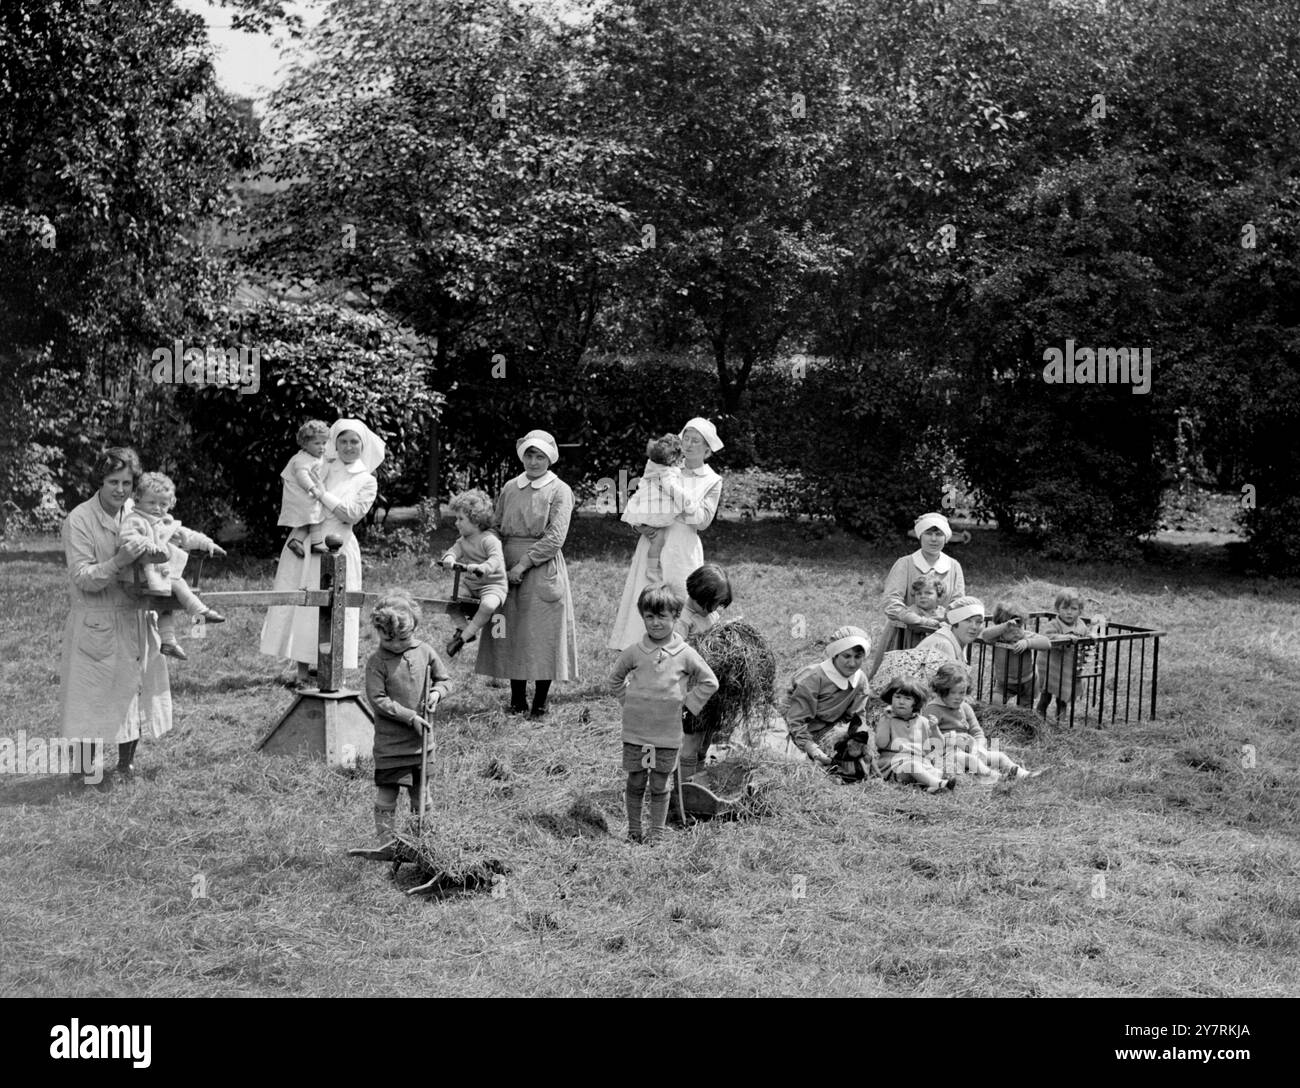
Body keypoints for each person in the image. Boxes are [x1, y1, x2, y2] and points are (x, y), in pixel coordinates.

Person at [59, 447, 171, 781]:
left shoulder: (137, 515)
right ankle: (82, 770)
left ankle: (126, 765)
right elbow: (82, 577)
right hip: (95, 616)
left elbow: (165, 545)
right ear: (100, 480)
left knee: (130, 693)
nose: (120, 490)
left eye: (126, 482)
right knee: (87, 695)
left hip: (133, 614)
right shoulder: (79, 519)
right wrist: (119, 561)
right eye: (112, 481)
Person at [260, 418, 384, 687]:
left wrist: (322, 494)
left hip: (339, 544)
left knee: (336, 606)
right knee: (303, 605)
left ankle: (329, 665)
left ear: (363, 445)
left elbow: (351, 513)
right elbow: (298, 485)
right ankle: (301, 669)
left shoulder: (366, 480)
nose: (348, 447)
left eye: (354, 442)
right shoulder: (321, 464)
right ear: (334, 444)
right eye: (343, 441)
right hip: (306, 543)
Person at [475, 429, 578, 718]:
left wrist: (523, 564)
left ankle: (541, 702)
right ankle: (517, 699)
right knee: (511, 631)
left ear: (550, 458)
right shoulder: (510, 487)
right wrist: (492, 556)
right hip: (506, 566)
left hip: (541, 566)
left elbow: (556, 537)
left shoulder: (560, 490)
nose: (533, 462)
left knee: (542, 634)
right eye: (529, 455)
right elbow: (496, 525)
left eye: (540, 456)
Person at [608, 585, 718, 844]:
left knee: (659, 783)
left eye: (662, 617)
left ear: (675, 617)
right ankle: (634, 831)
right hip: (636, 732)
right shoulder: (634, 651)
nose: (655, 623)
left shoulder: (685, 654)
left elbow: (709, 681)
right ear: (643, 617)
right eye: (649, 616)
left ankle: (656, 833)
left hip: (667, 734)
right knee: (636, 780)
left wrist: (687, 706)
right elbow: (614, 681)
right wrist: (630, 702)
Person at [609, 417, 724, 650]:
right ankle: (639, 662)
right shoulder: (665, 466)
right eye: (686, 438)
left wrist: (675, 493)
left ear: (707, 449)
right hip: (653, 540)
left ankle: (676, 662)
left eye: (696, 441)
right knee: (646, 597)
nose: (689, 445)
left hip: (682, 547)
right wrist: (640, 525)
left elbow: (701, 521)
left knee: (678, 600)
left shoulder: (711, 480)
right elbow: (642, 499)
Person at [362, 592, 451, 859]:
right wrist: (409, 717)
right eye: (389, 638)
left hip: (421, 742)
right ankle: (387, 843)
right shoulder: (377, 663)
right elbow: (378, 699)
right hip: (391, 745)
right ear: (379, 632)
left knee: (420, 792)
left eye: (404, 637)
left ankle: (422, 839)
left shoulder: (425, 652)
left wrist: (437, 693)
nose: (398, 644)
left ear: (415, 626)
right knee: (387, 791)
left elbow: (444, 680)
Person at [118, 471, 227, 660]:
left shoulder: (165, 522)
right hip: (138, 578)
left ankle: (168, 642)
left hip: (156, 576)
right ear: (138, 500)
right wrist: (146, 545)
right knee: (177, 583)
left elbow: (188, 535)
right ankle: (199, 611)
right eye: (151, 503)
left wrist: (208, 544)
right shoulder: (134, 520)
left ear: (170, 504)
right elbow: (128, 538)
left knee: (166, 605)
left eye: (163, 504)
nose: (157, 508)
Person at [867, 512, 966, 678]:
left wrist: (943, 620)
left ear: (946, 537)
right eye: (928, 533)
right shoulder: (905, 563)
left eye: (939, 534)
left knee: (941, 683)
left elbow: (958, 603)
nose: (933, 539)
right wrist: (917, 620)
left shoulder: (953, 566)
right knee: (902, 685)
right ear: (920, 535)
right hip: (906, 634)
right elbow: (891, 602)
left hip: (942, 636)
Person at [674, 563, 733, 784]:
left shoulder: (711, 615)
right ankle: (684, 791)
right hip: (693, 693)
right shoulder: (683, 621)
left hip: (713, 690)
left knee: (706, 739)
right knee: (692, 740)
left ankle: (697, 784)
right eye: (715, 603)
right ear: (701, 597)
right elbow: (677, 657)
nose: (717, 608)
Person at [784, 626, 873, 768]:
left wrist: (856, 738)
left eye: (858, 657)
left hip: (828, 728)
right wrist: (812, 748)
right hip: (798, 727)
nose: (852, 663)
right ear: (836, 654)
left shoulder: (860, 680)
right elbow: (796, 719)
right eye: (846, 656)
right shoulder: (814, 677)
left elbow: (857, 717)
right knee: (793, 760)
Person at [925, 662, 1032, 780]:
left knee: (999, 756)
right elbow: (927, 738)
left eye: (962, 693)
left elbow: (977, 731)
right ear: (942, 690)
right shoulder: (933, 709)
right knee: (971, 760)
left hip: (970, 748)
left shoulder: (965, 707)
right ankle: (997, 777)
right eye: (953, 692)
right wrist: (953, 739)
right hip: (947, 753)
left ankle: (1022, 774)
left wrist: (979, 746)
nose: (958, 697)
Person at [438, 489, 507, 658]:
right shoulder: (463, 541)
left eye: (461, 519)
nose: (456, 523)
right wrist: (448, 558)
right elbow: (452, 551)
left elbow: (496, 559)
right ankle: (464, 628)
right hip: (470, 585)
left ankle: (462, 638)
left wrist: (485, 567)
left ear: (476, 521)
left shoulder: (489, 540)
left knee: (489, 605)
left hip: (493, 585)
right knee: (450, 600)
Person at [621, 433, 697, 580]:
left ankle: (648, 558)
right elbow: (672, 489)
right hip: (650, 511)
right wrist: (687, 500)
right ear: (673, 459)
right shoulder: (666, 473)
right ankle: (652, 569)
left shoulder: (652, 464)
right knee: (658, 539)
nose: (682, 461)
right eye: (681, 458)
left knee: (652, 534)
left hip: (641, 509)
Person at [873, 676, 954, 792]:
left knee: (931, 769)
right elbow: (881, 743)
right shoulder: (887, 719)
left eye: (907, 698)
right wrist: (886, 720)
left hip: (920, 762)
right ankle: (937, 783)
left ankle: (930, 785)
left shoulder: (923, 722)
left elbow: (940, 745)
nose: (901, 701)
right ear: (890, 698)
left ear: (916, 702)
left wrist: (935, 729)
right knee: (912, 766)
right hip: (895, 765)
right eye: (897, 697)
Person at [978, 601, 1051, 705]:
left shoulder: (1025, 636)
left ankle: (1021, 719)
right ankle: (1000, 718)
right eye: (1011, 630)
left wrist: (1027, 643)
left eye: (1019, 627)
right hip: (1004, 682)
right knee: (996, 702)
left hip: (1027, 681)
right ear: (1001, 629)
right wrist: (1004, 626)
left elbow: (1047, 643)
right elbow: (985, 635)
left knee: (1024, 707)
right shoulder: (997, 638)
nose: (1016, 632)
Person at [1035, 588, 1092, 720]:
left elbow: (1086, 633)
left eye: (1073, 609)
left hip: (1069, 668)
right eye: (1065, 608)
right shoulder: (1054, 624)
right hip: (1052, 667)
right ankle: (1039, 717)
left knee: (1063, 698)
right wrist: (1063, 637)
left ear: (1080, 611)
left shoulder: (1080, 625)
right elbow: (1046, 636)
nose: (1069, 612)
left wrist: (1091, 636)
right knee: (1046, 695)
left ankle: (1061, 723)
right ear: (1057, 608)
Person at [279, 420, 330, 557]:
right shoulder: (301, 459)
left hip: (302, 493)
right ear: (305, 444)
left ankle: (296, 541)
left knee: (307, 521)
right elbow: (302, 476)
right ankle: (317, 543)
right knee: (314, 513)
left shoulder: (313, 456)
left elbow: (324, 461)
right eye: (317, 443)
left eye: (324, 443)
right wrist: (313, 489)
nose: (322, 447)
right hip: (299, 493)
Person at [914, 596, 985, 665]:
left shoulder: (957, 640)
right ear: (955, 621)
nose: (974, 627)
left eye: (979, 622)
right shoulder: (944, 645)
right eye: (967, 620)